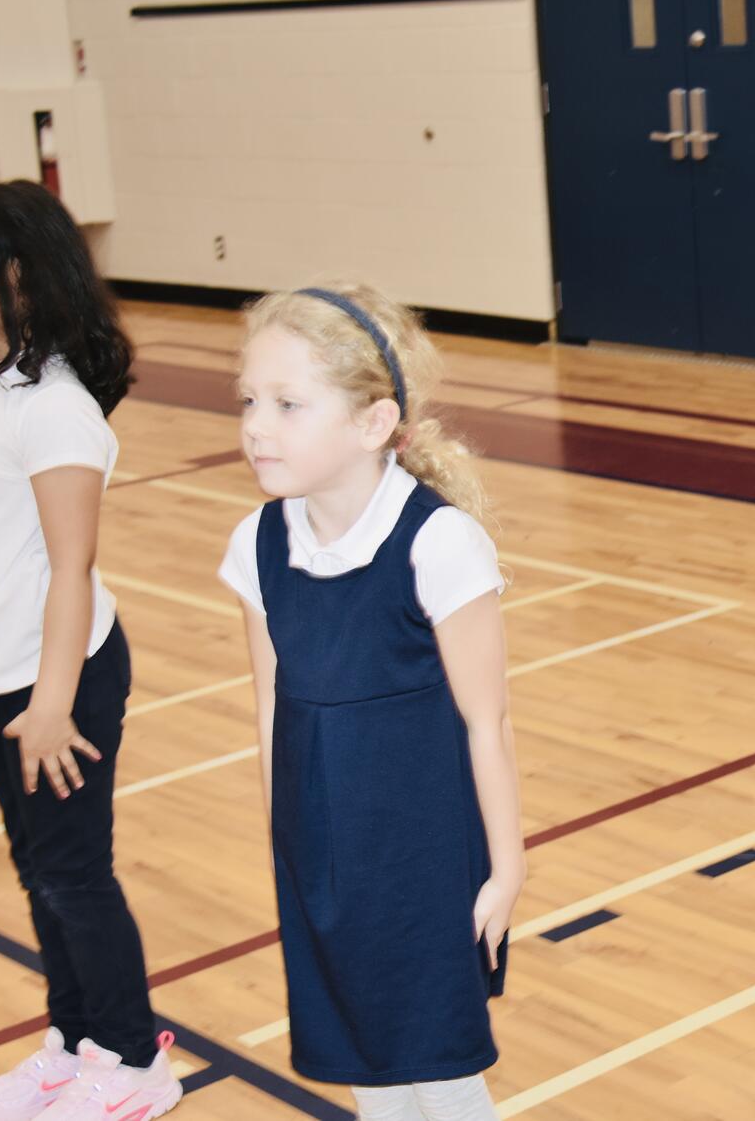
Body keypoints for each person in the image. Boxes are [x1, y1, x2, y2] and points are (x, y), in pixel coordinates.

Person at [218, 283, 524, 1121]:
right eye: (249, 400)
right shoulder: (258, 544)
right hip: (321, 856)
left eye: (287, 404)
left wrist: (506, 867)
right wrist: (287, 844)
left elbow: (487, 721)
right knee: (367, 1061)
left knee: (439, 1067)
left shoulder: (438, 543)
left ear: (372, 421)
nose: (256, 426)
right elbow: (272, 703)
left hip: (425, 859)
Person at [0, 179, 181, 1121]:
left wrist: (51, 705)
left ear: (29, 271)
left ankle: (135, 1060)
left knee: (73, 875)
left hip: (58, 680)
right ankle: (73, 1041)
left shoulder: (55, 407)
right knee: (39, 874)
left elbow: (71, 569)